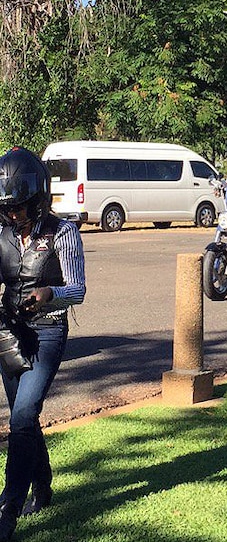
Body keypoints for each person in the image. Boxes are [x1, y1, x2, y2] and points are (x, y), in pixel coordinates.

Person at [0, 147, 86, 542]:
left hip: (48, 331)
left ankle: (8, 508)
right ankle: (44, 487)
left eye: (20, 207)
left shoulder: (63, 232)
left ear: (38, 198)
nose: (13, 215)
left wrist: (50, 293)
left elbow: (79, 290)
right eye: (8, 208)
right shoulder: (1, 233)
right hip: (8, 334)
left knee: (20, 417)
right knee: (26, 419)